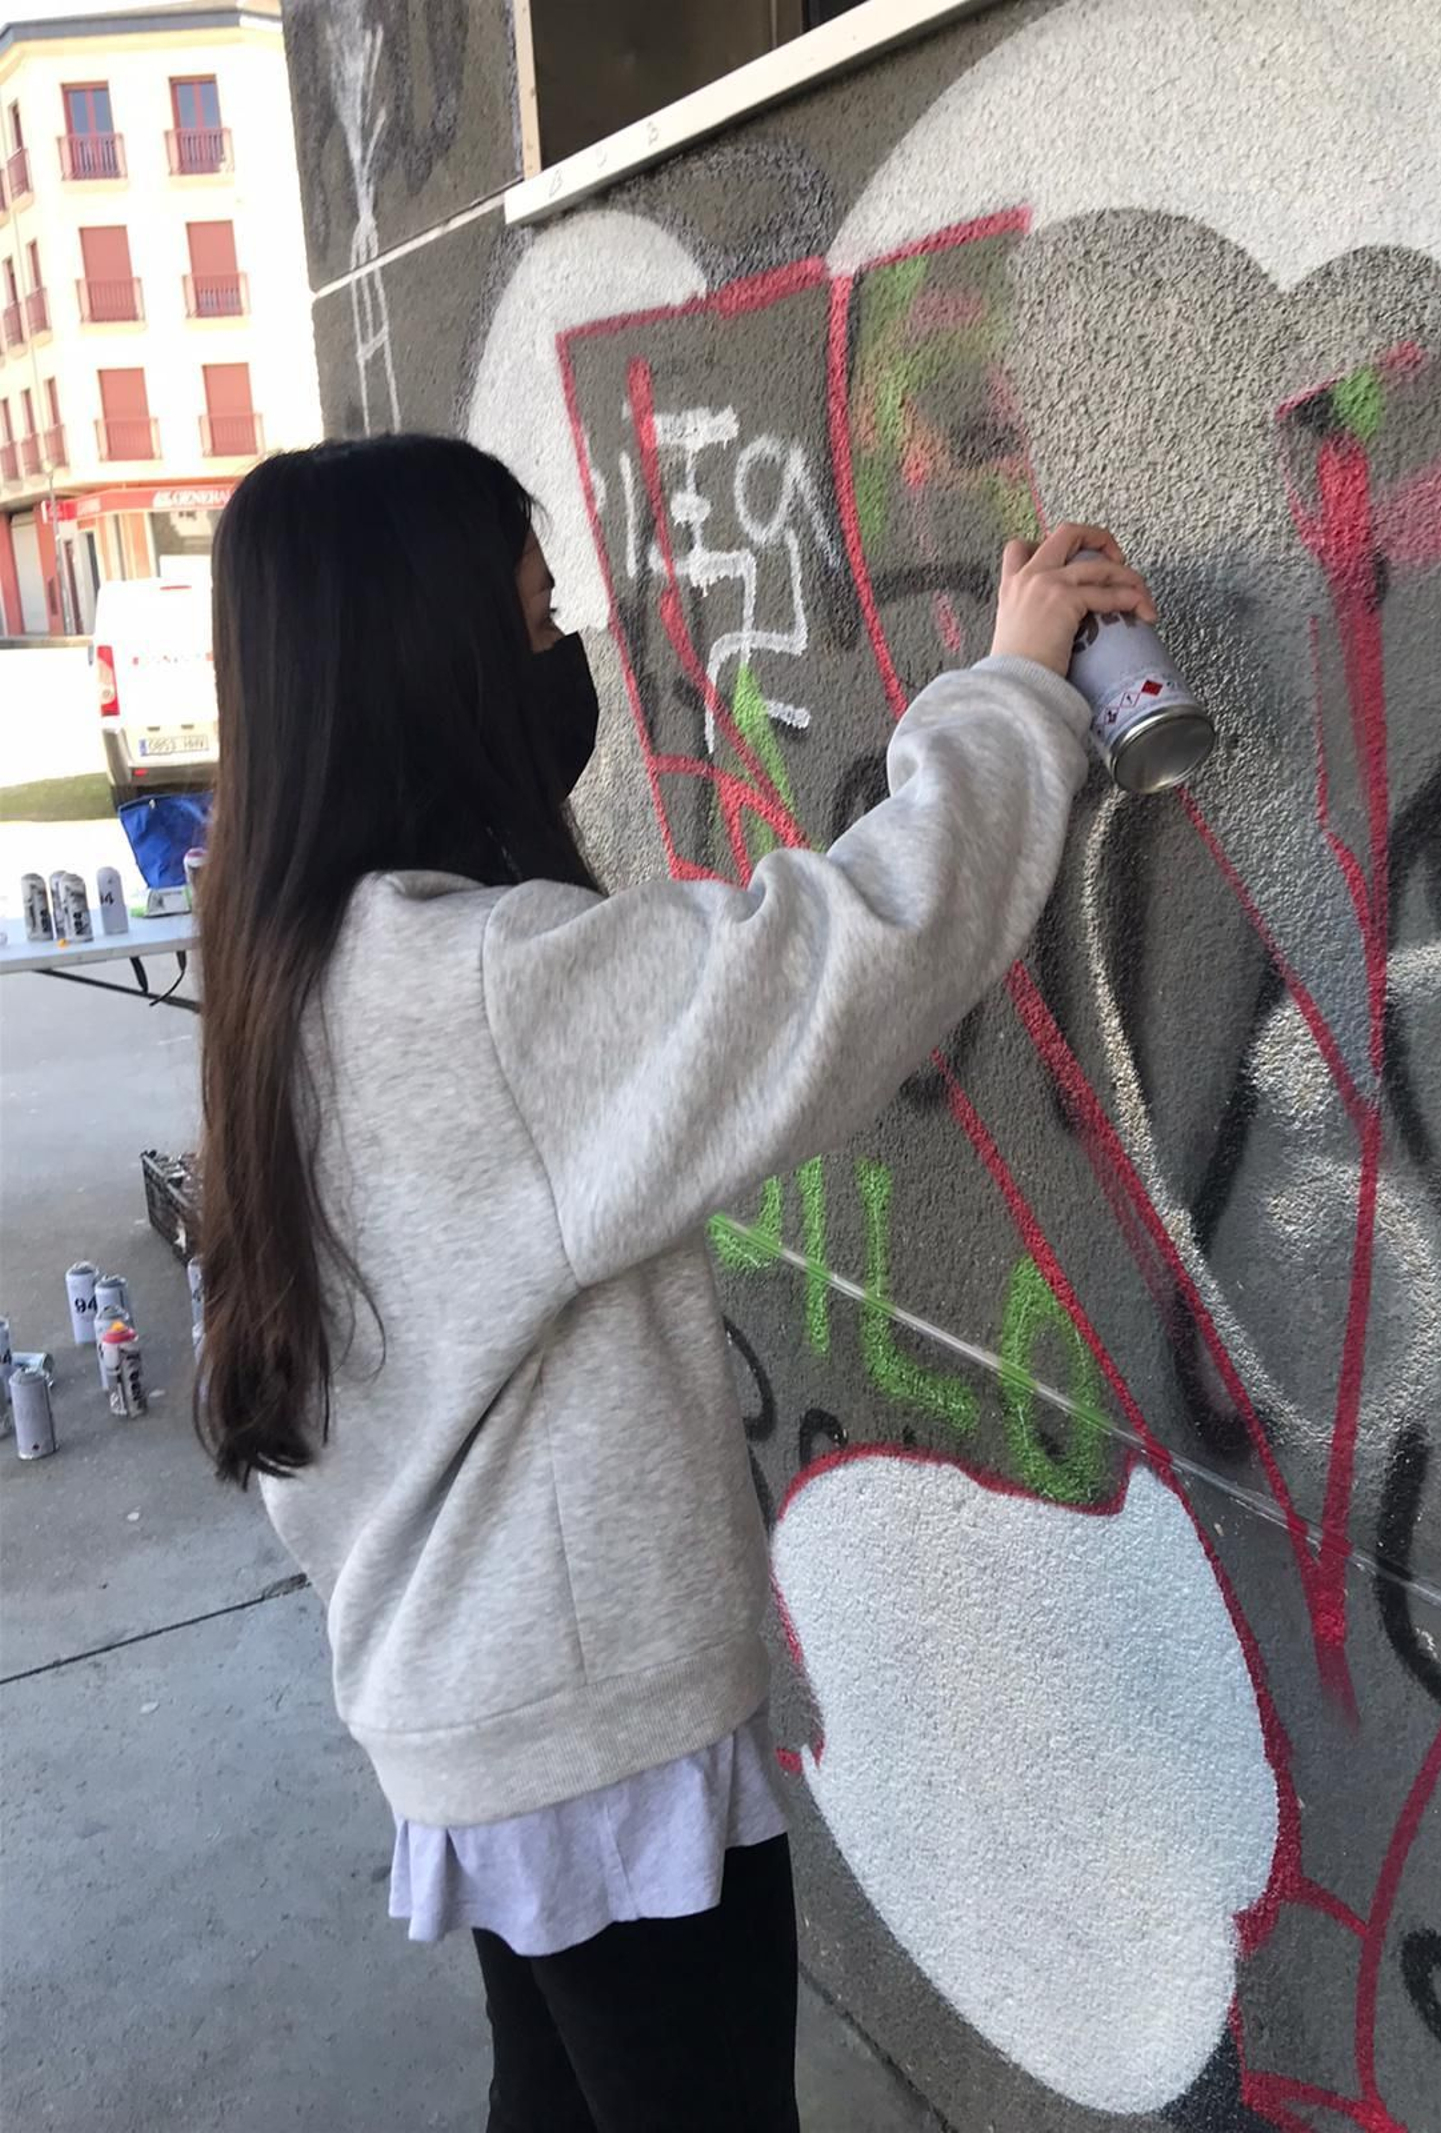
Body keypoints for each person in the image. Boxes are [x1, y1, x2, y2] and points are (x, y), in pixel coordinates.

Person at [195, 433, 1155, 2132]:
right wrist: (1015, 693)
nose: (567, 648)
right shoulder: (479, 987)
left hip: (467, 1706)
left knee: (557, 2101)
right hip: (593, 1745)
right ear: (431, 663)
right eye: (533, 615)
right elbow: (839, 952)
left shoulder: (290, 963)